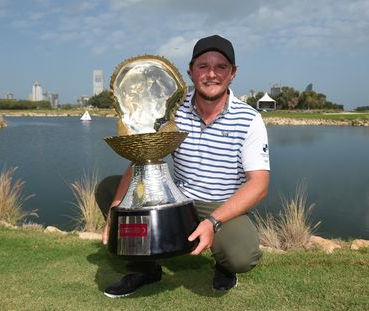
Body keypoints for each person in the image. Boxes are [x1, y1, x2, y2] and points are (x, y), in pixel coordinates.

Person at [96, 34, 270, 298]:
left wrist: (213, 221)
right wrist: (114, 213)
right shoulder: (172, 111)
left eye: (221, 67)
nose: (211, 74)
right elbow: (142, 160)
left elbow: (259, 185)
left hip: (220, 205)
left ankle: (224, 266)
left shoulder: (249, 119)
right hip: (178, 201)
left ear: (233, 73)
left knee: (242, 256)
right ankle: (145, 266)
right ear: (190, 71)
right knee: (109, 188)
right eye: (203, 66)